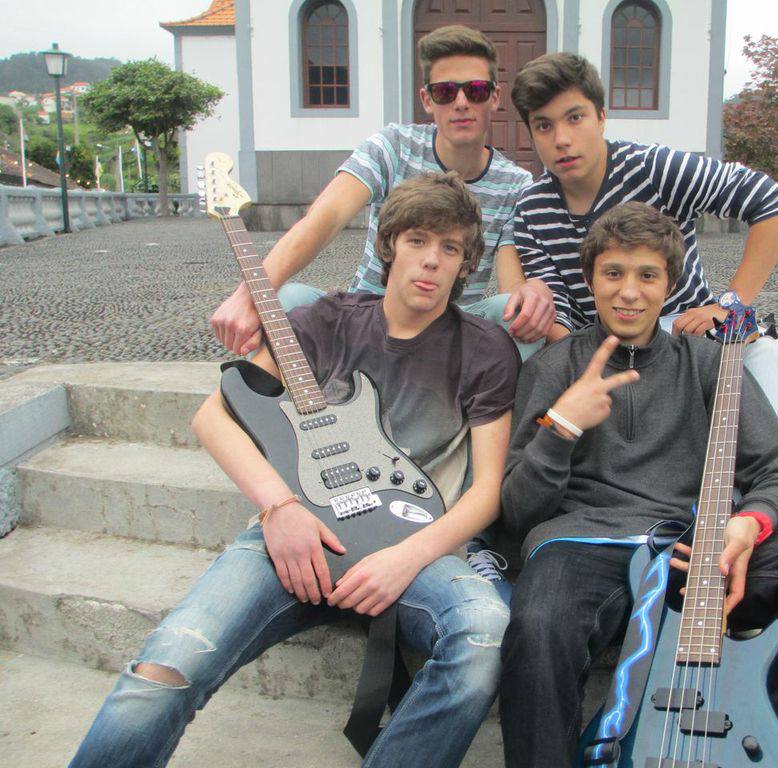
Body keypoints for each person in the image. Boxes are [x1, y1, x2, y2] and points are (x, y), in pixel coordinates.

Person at [69, 172, 519, 768]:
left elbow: (487, 490)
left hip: (411, 544)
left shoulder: (484, 348)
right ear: (389, 245)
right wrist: (279, 510)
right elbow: (213, 416)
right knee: (164, 668)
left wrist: (404, 558)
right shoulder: (325, 320)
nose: (432, 260)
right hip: (294, 533)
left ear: (466, 264)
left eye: (451, 248)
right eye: (417, 240)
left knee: (485, 634)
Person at [498, 202, 778, 768]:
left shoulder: (708, 364)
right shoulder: (553, 367)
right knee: (537, 628)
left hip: (691, 551)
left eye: (647, 275)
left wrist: (749, 524)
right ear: (590, 280)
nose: (629, 292)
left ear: (670, 286)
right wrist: (561, 429)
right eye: (613, 273)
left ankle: (738, 739)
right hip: (582, 546)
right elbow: (517, 510)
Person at [210, 24, 554, 361]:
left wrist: (532, 295)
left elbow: (511, 287)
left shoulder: (516, 184)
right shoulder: (394, 147)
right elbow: (326, 217)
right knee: (286, 300)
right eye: (445, 92)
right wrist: (249, 293)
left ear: (495, 97)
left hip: (449, 335)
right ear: (427, 100)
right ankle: (272, 397)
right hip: (367, 319)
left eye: (476, 90)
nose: (461, 103)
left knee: (519, 315)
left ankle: (481, 398)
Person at [510, 52, 778, 412]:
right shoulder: (531, 209)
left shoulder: (653, 168)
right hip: (601, 341)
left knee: (764, 352)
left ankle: (753, 449)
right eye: (543, 126)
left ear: (601, 118)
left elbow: (774, 201)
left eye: (575, 118)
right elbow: (559, 318)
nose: (562, 139)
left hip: (683, 329)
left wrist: (731, 304)